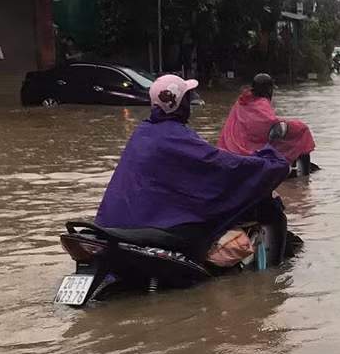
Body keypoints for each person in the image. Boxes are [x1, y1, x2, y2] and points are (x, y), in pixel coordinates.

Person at [96, 75, 291, 256]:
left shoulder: (143, 132)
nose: (190, 105)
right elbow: (221, 165)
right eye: (187, 100)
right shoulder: (177, 137)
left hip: (117, 222)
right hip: (156, 227)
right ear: (179, 104)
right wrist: (268, 164)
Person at [219, 73, 317, 171]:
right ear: (269, 90)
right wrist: (294, 125)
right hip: (253, 147)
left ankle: (293, 169)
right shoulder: (261, 103)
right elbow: (270, 124)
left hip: (233, 147)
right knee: (302, 131)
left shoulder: (242, 101)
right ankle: (305, 176)